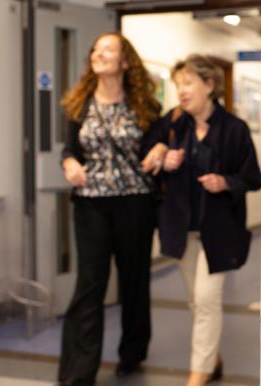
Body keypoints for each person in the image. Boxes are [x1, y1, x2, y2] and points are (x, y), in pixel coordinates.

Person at [57, 31, 167, 386]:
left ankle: (132, 352)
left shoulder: (145, 106)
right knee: (90, 284)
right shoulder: (78, 104)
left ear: (124, 62)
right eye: (95, 50)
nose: (98, 54)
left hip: (135, 203)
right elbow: (69, 150)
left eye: (108, 50)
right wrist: (69, 163)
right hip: (91, 204)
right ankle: (78, 370)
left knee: (134, 281)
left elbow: (159, 142)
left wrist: (161, 149)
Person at [156, 54, 261, 386]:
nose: (181, 91)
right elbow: (150, 152)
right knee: (194, 300)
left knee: (205, 299)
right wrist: (163, 157)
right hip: (183, 230)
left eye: (188, 83)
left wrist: (225, 182)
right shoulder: (174, 125)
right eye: (178, 85)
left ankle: (196, 378)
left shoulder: (234, 129)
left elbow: (252, 178)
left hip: (218, 231)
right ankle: (211, 359)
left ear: (209, 85)